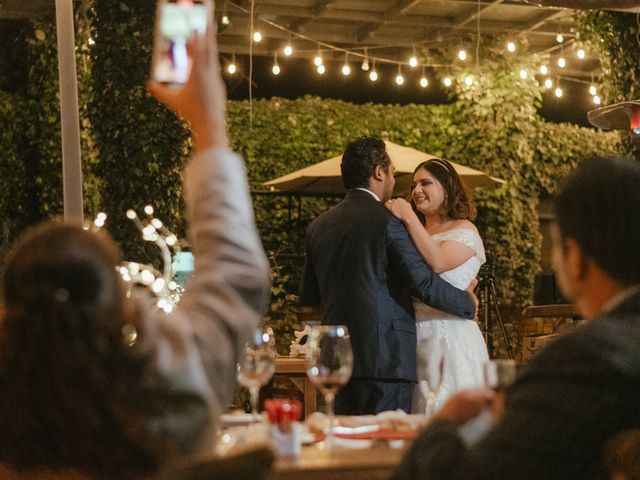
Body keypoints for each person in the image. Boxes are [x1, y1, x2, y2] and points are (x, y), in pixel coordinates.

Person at [0, 26, 270, 479]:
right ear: (125, 307)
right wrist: (209, 127)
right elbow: (235, 274)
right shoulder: (176, 396)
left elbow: (233, 274)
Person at [393, 154, 640, 480]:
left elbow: (474, 474)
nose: (417, 190)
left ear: (574, 258)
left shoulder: (581, 360)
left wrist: (443, 423)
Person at [300, 136, 477, 415]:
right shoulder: (389, 221)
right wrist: (467, 302)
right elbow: (423, 282)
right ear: (379, 172)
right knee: (384, 448)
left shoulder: (318, 226)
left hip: (337, 361)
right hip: (385, 359)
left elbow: (310, 296)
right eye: (394, 172)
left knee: (348, 446)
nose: (396, 182)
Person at [385, 158, 489, 413]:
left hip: (452, 338)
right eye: (414, 185)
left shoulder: (465, 230)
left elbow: (439, 262)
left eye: (426, 183)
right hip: (413, 337)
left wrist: (408, 216)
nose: (416, 190)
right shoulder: (410, 231)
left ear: (447, 187)